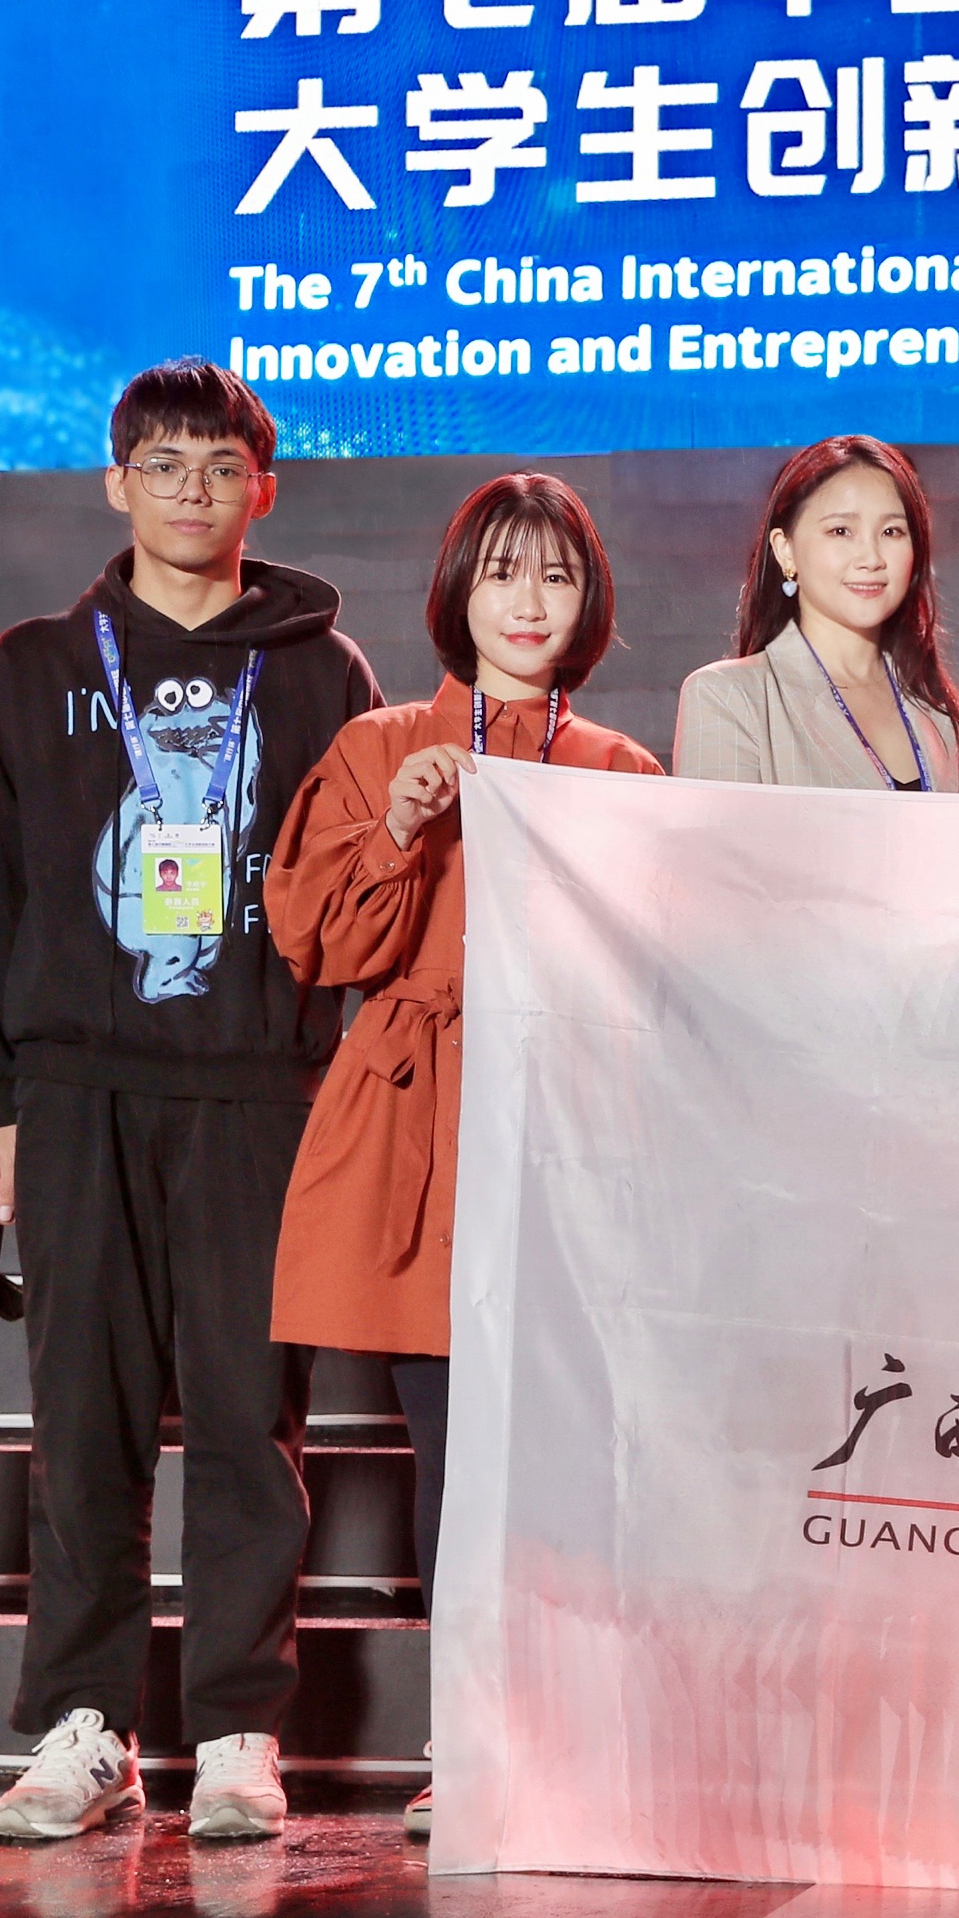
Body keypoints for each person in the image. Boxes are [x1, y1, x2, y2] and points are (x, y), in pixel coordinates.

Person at [0, 362, 382, 1846]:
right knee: (85, 1420)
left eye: (222, 466)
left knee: (253, 1422)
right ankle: (87, 1726)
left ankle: (240, 1728)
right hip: (78, 1088)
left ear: (264, 488)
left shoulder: (325, 674)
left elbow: (350, 891)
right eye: (164, 463)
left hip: (259, 1090)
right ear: (114, 481)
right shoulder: (33, 666)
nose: (193, 489)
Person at [264, 473, 663, 1838]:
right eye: (501, 572)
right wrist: (396, 826)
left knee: (566, 1450)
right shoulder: (381, 745)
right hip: (424, 1125)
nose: (528, 601)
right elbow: (317, 941)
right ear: (458, 592)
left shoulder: (619, 771)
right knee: (453, 1446)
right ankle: (473, 1741)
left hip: (569, 1125)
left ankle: (575, 1741)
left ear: (587, 598)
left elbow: (657, 972)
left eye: (555, 573)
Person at [672, 434, 959, 790]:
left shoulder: (940, 714)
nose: (871, 558)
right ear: (785, 550)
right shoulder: (728, 696)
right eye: (841, 531)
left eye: (891, 531)